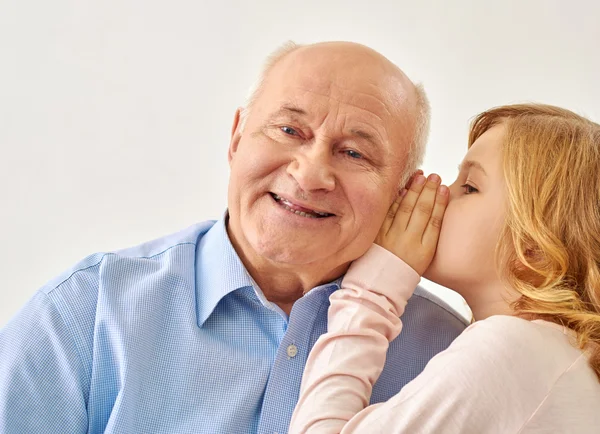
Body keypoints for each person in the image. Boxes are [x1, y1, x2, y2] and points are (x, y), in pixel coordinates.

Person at [0, 41, 468, 434]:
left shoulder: (451, 356)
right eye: (289, 130)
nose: (310, 174)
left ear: (403, 193)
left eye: (353, 152)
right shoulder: (83, 312)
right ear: (236, 138)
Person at [289, 103, 600, 434]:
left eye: (469, 187)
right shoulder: (558, 356)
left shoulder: (513, 350)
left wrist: (371, 292)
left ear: (536, 249)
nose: (439, 193)